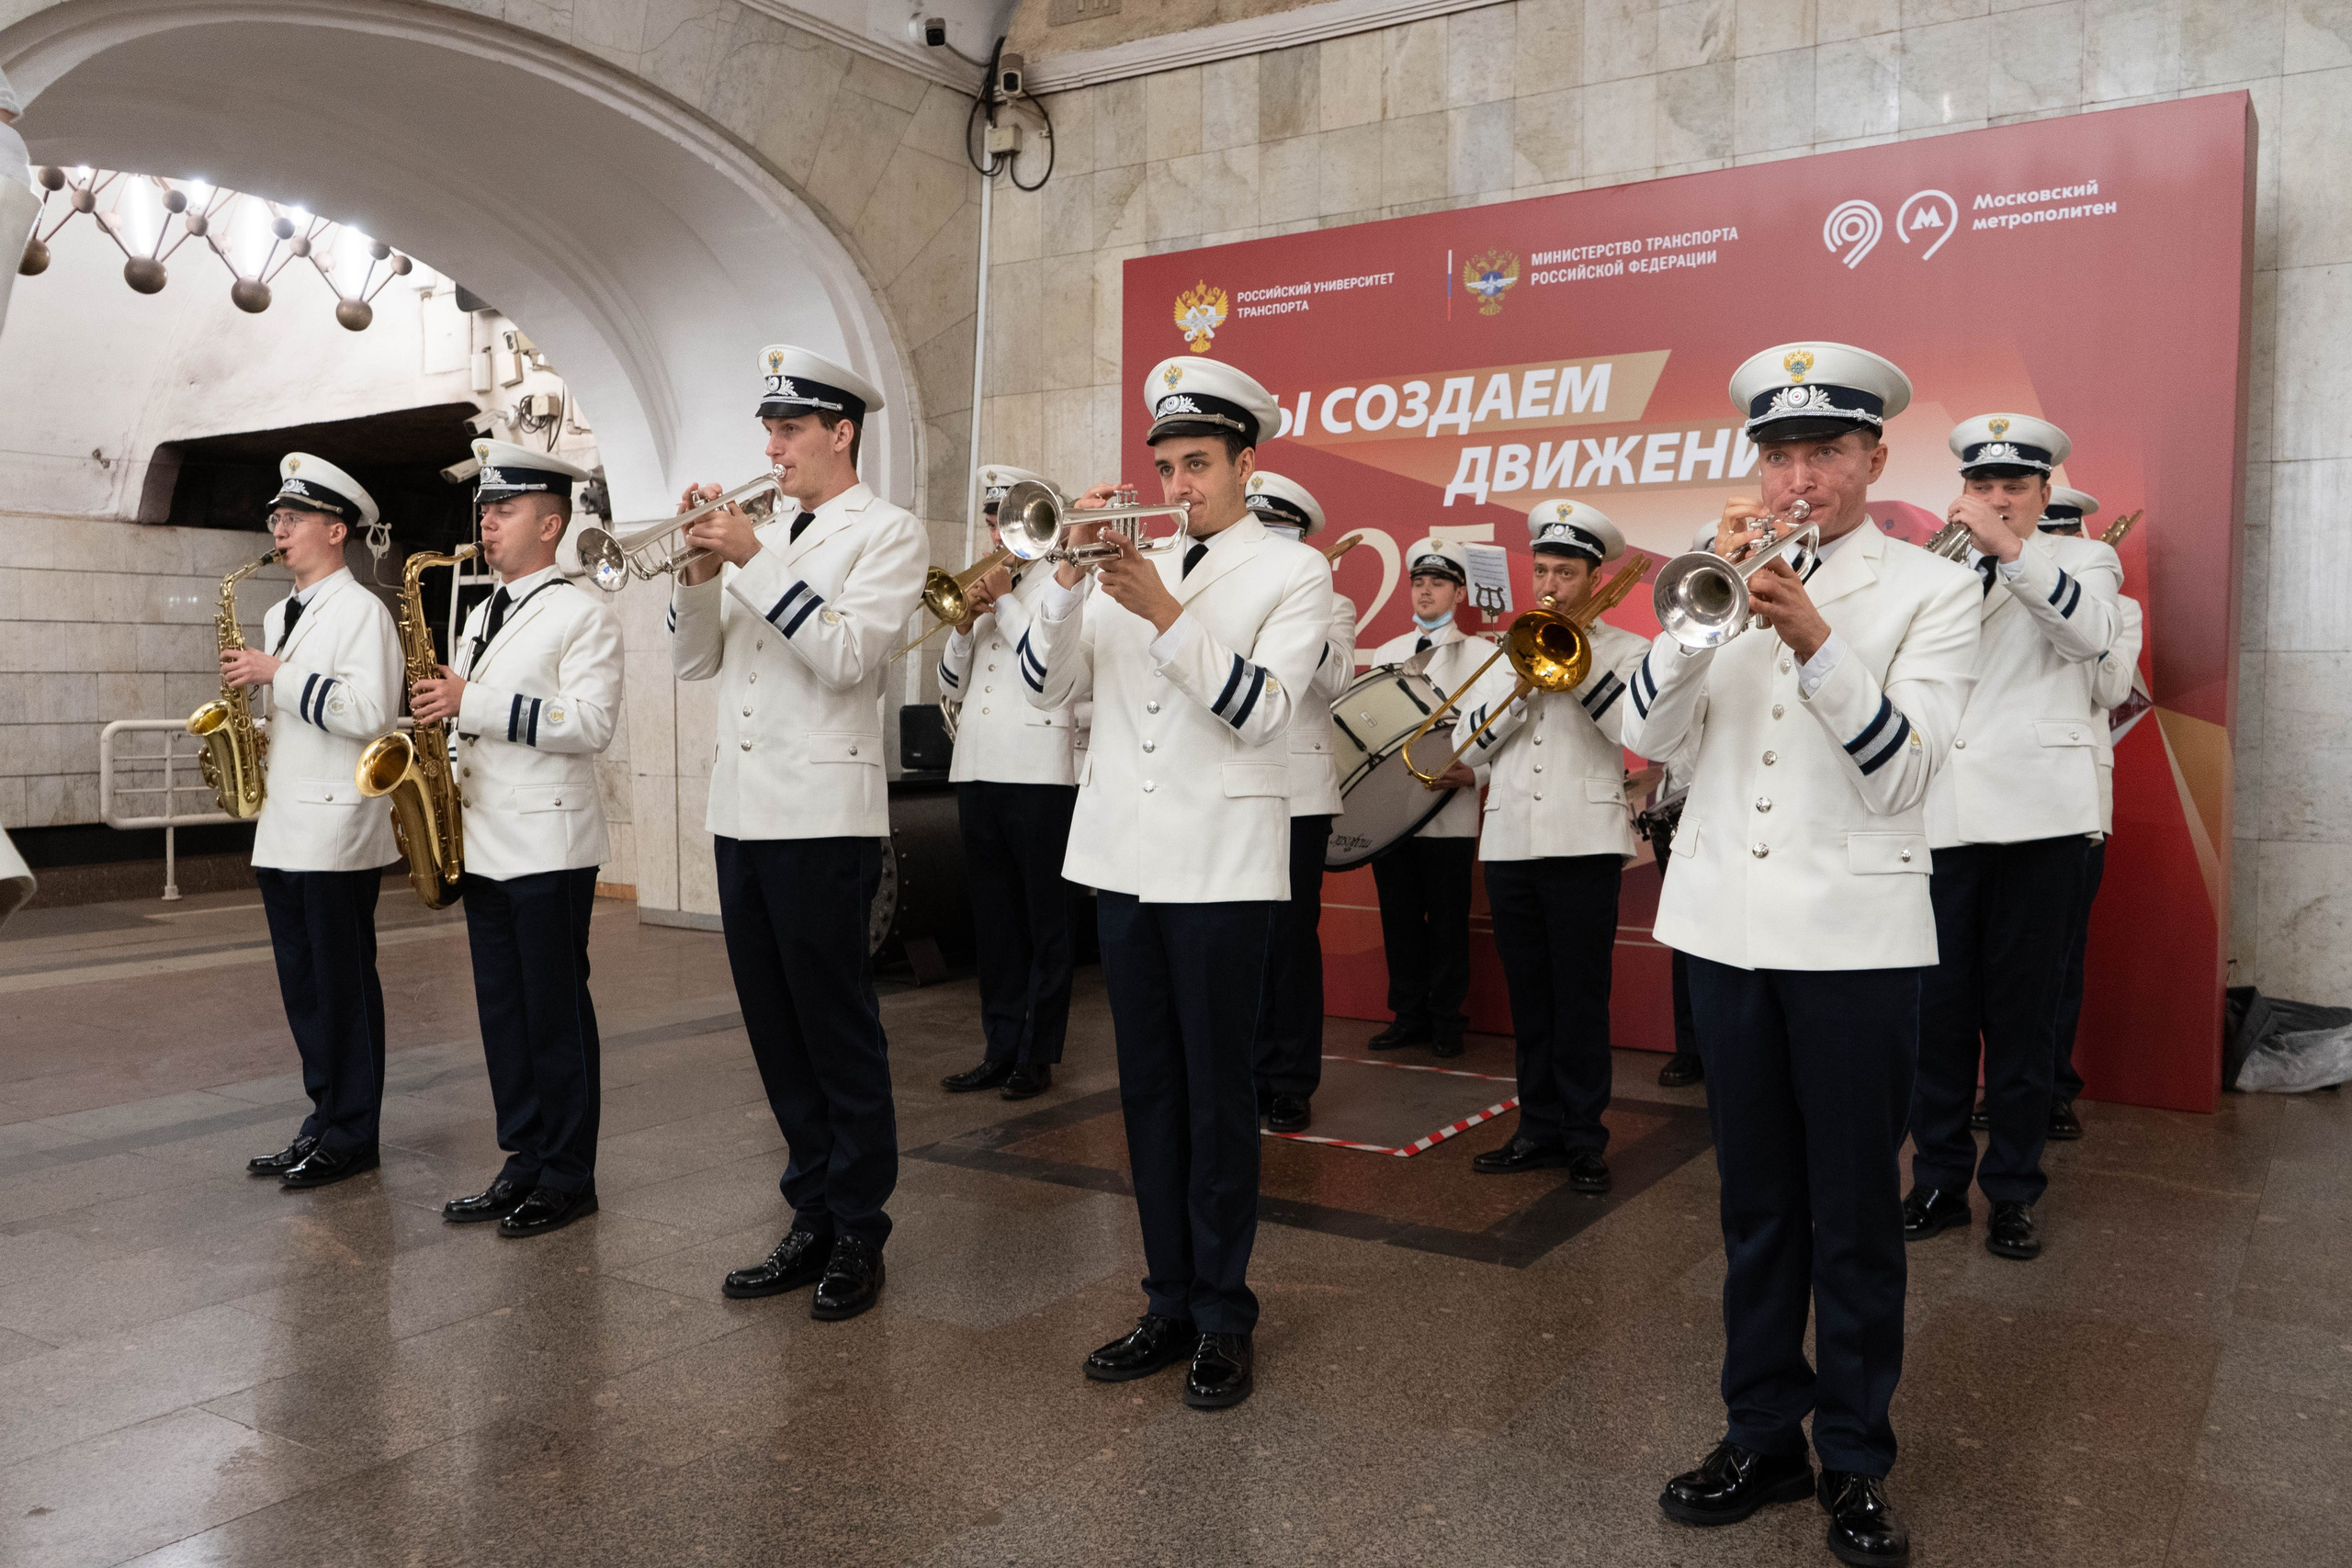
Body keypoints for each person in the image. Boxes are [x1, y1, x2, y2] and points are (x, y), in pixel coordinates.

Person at [1625, 344, 1978, 1568]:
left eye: (1825, 449)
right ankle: (1762, 1432)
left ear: (1876, 458)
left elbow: (1907, 771)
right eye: (1778, 452)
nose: (1798, 473)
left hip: (1858, 941)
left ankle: (1859, 1459)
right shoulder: (1713, 580)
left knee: (1853, 1215)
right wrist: (1690, 621)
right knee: (1756, 1204)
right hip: (1725, 930)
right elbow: (1643, 728)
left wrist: (1820, 636)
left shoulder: (1932, 591)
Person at [1023, 355, 1330, 1411]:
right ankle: (1165, 1299)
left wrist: (1162, 610)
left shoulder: (1293, 574)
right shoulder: (1115, 570)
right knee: (1148, 1093)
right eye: (1165, 463)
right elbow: (1039, 688)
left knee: (1217, 1097)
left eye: (1197, 461)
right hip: (1120, 861)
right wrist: (1063, 585)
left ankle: (1225, 1314)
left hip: (1222, 867)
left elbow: (1262, 712)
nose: (1178, 483)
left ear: (1245, 462)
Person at [670, 344, 927, 1318]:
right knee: (776, 1033)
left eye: (787, 431)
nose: (771, 449)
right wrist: (697, 572)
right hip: (742, 814)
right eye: (767, 432)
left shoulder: (886, 532)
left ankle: (860, 1227)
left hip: (821, 819)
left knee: (837, 1029)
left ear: (840, 431)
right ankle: (809, 1212)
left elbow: (849, 657)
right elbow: (697, 663)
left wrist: (752, 556)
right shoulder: (761, 539)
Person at [1903, 417, 2120, 1266]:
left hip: (2042, 818)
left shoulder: (2080, 561)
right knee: (1940, 1016)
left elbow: (2094, 644)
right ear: (1961, 491)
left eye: (2016, 488)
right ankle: (1938, 1179)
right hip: (1946, 813)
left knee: (2025, 1021)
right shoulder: (1931, 563)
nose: (1997, 501)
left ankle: (2015, 1193)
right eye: (1983, 488)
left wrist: (2015, 553)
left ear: (2042, 492)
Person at [413, 440, 623, 1236]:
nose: (486, 523)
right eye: (485, 510)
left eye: (503, 511)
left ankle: (570, 1175)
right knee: (504, 1014)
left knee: (554, 1016)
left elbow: (591, 725)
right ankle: (524, 1158)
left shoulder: (581, 613)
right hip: (485, 839)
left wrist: (473, 702)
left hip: (548, 847)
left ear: (551, 523)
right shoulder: (480, 613)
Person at [1456, 502, 1648, 1190]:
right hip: (1509, 841)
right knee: (1529, 997)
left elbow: (1636, 729)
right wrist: (1520, 681)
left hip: (1583, 841)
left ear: (1595, 578)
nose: (1550, 586)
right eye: (1541, 570)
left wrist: (1578, 666)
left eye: (1565, 572)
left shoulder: (1628, 650)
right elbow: (1466, 747)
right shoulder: (1504, 649)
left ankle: (1583, 1136)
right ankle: (1535, 1126)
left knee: (1580, 996)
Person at [233, 456, 402, 1190]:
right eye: (277, 517)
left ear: (337, 530)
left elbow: (369, 714)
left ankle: (352, 1132)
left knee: (342, 987)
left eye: (294, 518)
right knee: (304, 988)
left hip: (337, 830)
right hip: (285, 824)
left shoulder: (363, 610)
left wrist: (279, 677)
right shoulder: (280, 613)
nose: (280, 529)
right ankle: (321, 1120)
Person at [936, 463, 1081, 1102]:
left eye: (1008, 517)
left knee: (1044, 920)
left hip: (1038, 772)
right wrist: (964, 627)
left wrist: (1009, 601)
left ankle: (1038, 1053)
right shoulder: (988, 587)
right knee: (992, 919)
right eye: (992, 519)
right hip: (976, 767)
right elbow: (950, 687)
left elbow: (1046, 674)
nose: (997, 530)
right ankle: (998, 1046)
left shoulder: (1064, 584)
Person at [1244, 471, 1355, 1134]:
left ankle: (1290, 1078)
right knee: (1239, 937)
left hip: (1299, 793)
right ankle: (1245, 1067)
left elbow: (1338, 678)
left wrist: (1296, 607)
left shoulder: (1329, 602)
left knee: (1289, 941)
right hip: (1233, 782)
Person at [2031, 488, 2139, 1141]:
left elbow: (2111, 688)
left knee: (2060, 956)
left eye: (2067, 539)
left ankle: (2053, 1086)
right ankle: (2015, 1083)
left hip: (2073, 806)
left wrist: (2069, 610)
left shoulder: (2115, 609)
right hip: (1987, 803)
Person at [1361, 538, 1492, 1057]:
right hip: (1392, 810)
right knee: (1398, 918)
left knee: (1447, 922)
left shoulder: (1483, 654)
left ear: (1459, 592)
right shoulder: (1390, 652)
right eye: (1418, 582)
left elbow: (1501, 727)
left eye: (1438, 582)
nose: (1426, 591)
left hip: (1448, 812)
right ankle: (1408, 1014)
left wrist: (1474, 778)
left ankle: (1447, 1020)